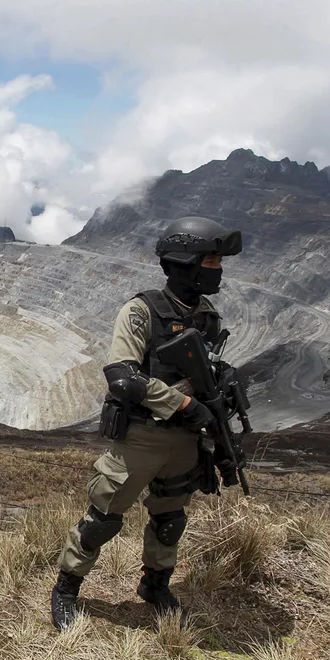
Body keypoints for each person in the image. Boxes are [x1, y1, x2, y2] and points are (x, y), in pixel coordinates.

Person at [50, 216, 243, 631]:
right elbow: (122, 376)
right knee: (103, 518)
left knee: (170, 518)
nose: (217, 268)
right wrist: (185, 405)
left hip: (185, 443)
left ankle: (156, 586)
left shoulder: (207, 316)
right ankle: (66, 589)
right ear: (185, 262)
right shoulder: (142, 311)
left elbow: (207, 370)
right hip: (143, 437)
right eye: (210, 260)